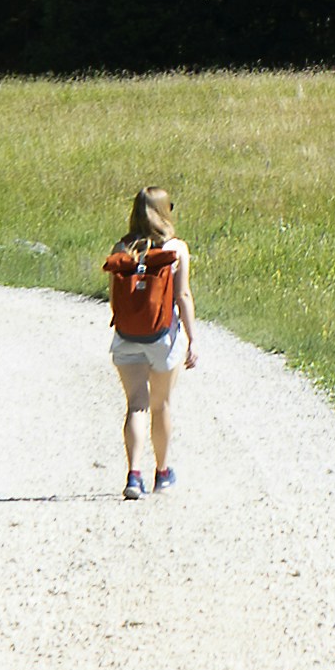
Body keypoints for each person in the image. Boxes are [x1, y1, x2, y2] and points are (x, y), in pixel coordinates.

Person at [100, 183, 198, 499]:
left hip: (127, 336)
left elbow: (115, 299)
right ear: (165, 210)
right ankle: (163, 473)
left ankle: (133, 476)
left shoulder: (121, 249)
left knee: (136, 405)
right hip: (162, 337)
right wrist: (192, 339)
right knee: (162, 404)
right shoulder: (176, 249)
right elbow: (182, 295)